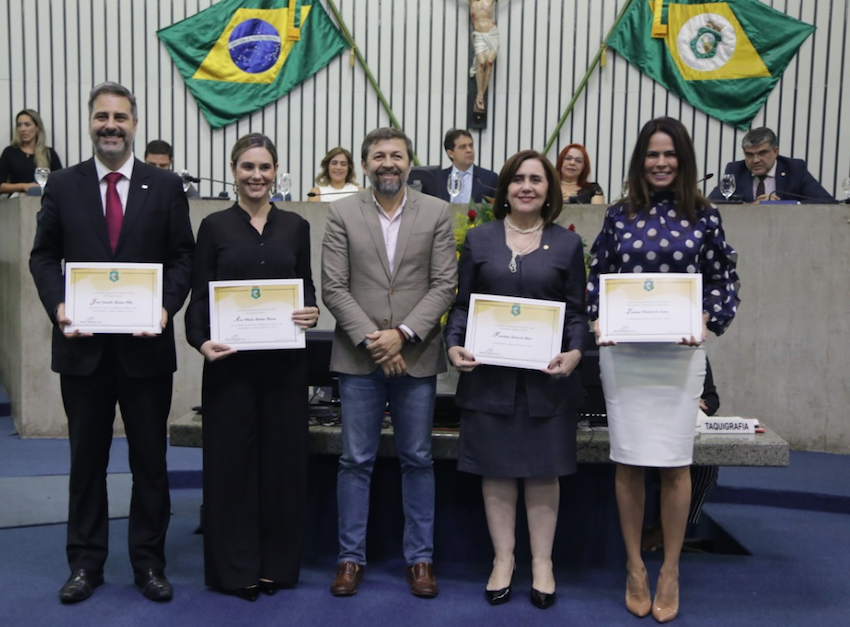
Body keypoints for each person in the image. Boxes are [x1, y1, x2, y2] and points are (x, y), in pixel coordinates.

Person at [29, 82, 195, 604]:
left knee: (150, 463)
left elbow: (183, 257)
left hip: (147, 350)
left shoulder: (164, 186)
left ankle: (149, 564)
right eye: (102, 116)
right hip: (83, 350)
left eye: (120, 117)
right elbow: (43, 255)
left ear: (134, 125)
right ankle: (85, 564)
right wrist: (59, 306)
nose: (111, 125)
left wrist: (165, 308)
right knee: (86, 464)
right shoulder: (63, 184)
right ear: (90, 123)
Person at [587, 117, 739, 623]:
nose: (660, 162)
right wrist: (598, 318)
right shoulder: (618, 214)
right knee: (629, 461)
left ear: (683, 159)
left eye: (670, 154)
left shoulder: (706, 215)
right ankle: (635, 566)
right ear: (640, 160)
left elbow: (723, 279)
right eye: (652, 154)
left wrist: (706, 317)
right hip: (625, 354)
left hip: (678, 354)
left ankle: (670, 570)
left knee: (675, 464)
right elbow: (597, 275)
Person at [444, 150, 587, 609]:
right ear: (505, 188)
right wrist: (453, 343)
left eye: (536, 180)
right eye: (519, 179)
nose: (527, 187)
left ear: (549, 190)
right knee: (497, 470)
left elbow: (577, 313)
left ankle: (542, 563)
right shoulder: (480, 239)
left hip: (547, 381)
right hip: (490, 379)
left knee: (544, 471)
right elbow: (462, 304)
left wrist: (576, 352)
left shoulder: (566, 244)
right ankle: (503, 559)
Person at [321, 127, 456, 598]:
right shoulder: (341, 212)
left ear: (409, 162)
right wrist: (375, 339)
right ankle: (350, 558)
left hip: (415, 355)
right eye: (378, 156)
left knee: (417, 459)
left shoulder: (436, 212)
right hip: (359, 357)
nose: (388, 163)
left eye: (396, 155)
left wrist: (401, 335)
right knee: (354, 460)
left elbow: (444, 283)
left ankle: (420, 559)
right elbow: (333, 286)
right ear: (365, 164)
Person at [185, 133, 319, 601]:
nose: (256, 175)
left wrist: (310, 311)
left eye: (264, 167)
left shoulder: (296, 226)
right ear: (233, 170)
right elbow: (199, 296)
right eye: (247, 167)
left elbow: (306, 288)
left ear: (276, 171)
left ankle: (275, 566)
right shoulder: (214, 226)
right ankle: (236, 569)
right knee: (231, 466)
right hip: (230, 367)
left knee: (282, 465)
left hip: (285, 367)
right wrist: (200, 341)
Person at [642, 359, 721, 552]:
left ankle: (662, 532)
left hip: (679, 426)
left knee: (705, 468)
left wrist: (698, 406)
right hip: (642, 426)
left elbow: (711, 399)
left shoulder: (694, 353)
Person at [708, 127, 833, 203]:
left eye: (762, 153)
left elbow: (826, 201)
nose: (755, 160)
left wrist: (785, 206)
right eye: (749, 155)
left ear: (775, 151)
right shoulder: (735, 170)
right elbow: (711, 204)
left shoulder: (794, 168)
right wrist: (750, 207)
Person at [421, 129, 499, 204]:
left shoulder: (489, 179)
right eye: (463, 147)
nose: (469, 150)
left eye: (471, 145)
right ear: (450, 153)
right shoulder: (436, 179)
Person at [0, 109, 63, 195]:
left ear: (37, 128)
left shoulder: (49, 153)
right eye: (19, 125)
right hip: (17, 200)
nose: (23, 129)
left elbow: (60, 183)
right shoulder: (10, 152)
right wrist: (23, 186)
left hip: (44, 200)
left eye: (27, 124)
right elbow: (1, 186)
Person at [469, 0, 499, 113]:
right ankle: (480, 94)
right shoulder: (471, 1)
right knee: (481, 62)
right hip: (479, 35)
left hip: (492, 34)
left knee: (490, 62)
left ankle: (480, 95)